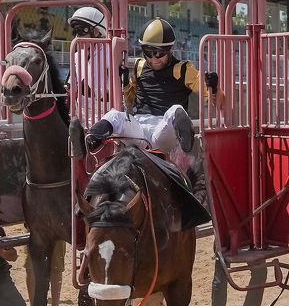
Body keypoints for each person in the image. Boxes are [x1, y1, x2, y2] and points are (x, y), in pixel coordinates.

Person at [83, 18, 221, 197]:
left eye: (159, 53)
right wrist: (125, 83)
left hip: (163, 133)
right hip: (138, 130)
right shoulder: (139, 67)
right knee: (115, 115)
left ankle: (187, 150)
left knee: (175, 110)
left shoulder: (184, 69)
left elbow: (214, 100)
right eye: (149, 52)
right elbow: (130, 99)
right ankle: (89, 141)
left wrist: (214, 88)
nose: (154, 58)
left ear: (170, 49)